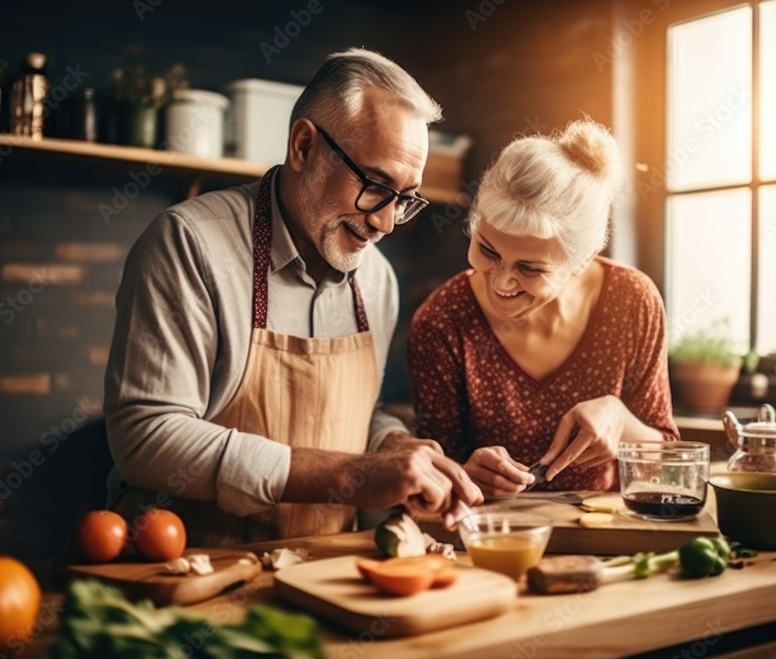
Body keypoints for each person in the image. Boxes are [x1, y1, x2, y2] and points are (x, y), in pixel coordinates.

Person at [103, 48, 482, 546]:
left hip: (325, 578)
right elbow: (146, 438)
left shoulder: (378, 280)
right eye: (374, 185)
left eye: (405, 198)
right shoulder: (189, 244)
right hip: (188, 572)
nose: (386, 222)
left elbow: (354, 417)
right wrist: (351, 476)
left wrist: (392, 446)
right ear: (303, 146)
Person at [407, 117, 679, 497]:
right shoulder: (443, 321)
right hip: (490, 542)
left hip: (603, 542)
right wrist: (464, 476)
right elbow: (430, 482)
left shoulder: (632, 300)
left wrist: (621, 421)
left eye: (530, 268)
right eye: (487, 250)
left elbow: (670, 464)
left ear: (582, 261)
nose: (500, 282)